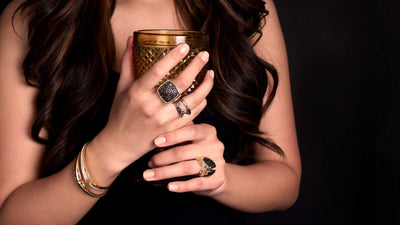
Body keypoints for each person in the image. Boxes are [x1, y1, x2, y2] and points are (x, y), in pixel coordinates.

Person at [0, 0, 301, 224]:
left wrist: (220, 180)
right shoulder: (36, 15)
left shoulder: (243, 7)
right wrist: (112, 148)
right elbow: (12, 216)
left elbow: (285, 181)